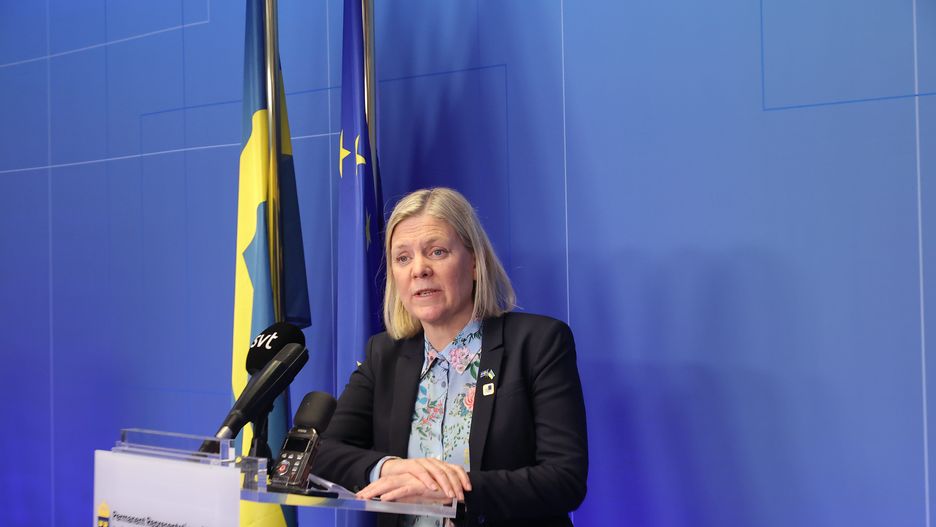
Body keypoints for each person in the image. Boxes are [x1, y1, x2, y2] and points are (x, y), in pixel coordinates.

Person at [313, 188, 588, 527]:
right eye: (403, 258)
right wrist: (392, 467)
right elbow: (321, 453)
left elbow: (563, 479)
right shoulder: (383, 355)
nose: (419, 269)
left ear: (474, 262)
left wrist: (451, 492)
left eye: (437, 251)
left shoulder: (538, 343)